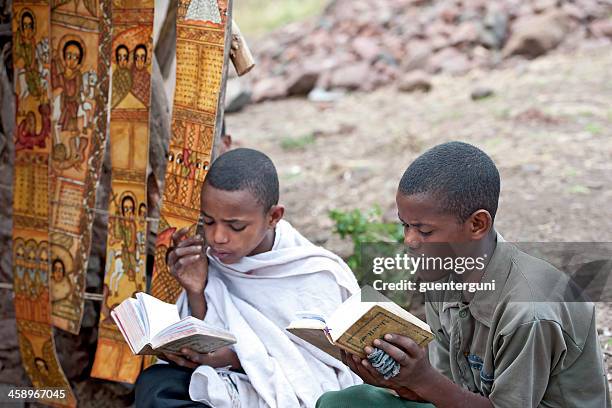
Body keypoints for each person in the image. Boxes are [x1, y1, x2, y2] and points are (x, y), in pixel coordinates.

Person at [316, 141, 611, 407]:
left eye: (424, 230)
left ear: (477, 224)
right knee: (343, 403)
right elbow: (449, 390)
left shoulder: (529, 311)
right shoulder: (442, 274)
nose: (410, 241)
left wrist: (423, 380)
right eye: (405, 225)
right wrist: (398, 381)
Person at [135, 148, 361, 407]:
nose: (218, 236)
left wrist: (236, 359)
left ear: (273, 217)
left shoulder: (314, 274)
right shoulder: (208, 258)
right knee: (155, 384)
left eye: (235, 226)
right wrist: (196, 289)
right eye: (208, 222)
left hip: (274, 388)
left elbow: (323, 374)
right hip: (223, 379)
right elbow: (207, 331)